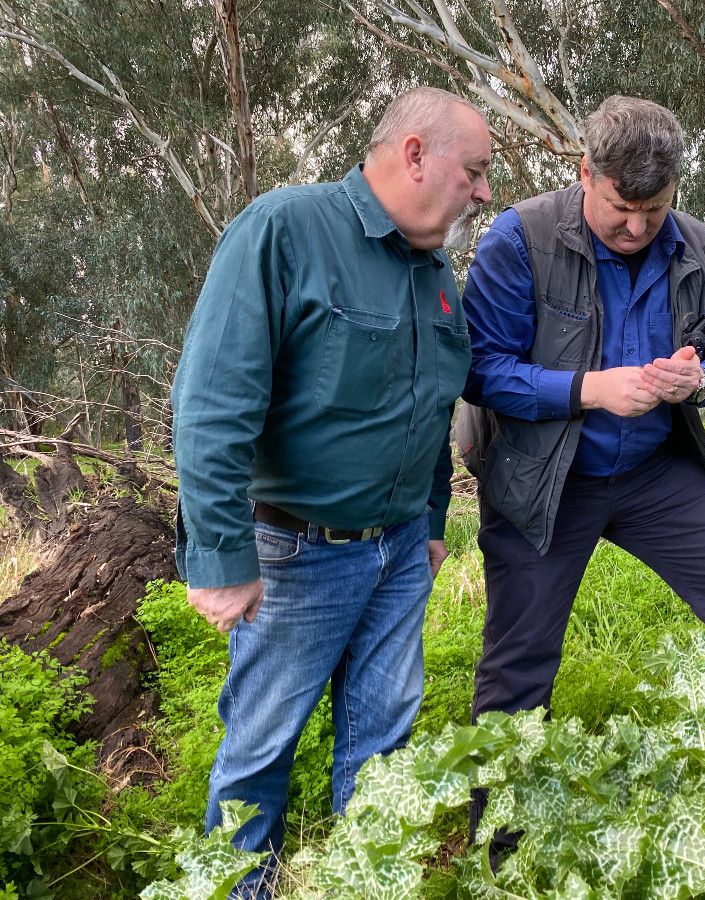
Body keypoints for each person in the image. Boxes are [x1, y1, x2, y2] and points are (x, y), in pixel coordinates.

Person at [171, 86, 491, 895]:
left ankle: (359, 883)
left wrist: (428, 521)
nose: (486, 191)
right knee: (259, 751)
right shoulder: (284, 229)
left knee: (383, 744)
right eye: (477, 172)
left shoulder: (436, 274)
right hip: (293, 555)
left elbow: (427, 404)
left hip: (397, 554)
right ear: (416, 153)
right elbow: (213, 401)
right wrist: (218, 556)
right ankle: (238, 888)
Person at [461, 95, 705, 839]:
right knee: (520, 662)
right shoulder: (520, 240)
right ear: (585, 175)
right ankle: (505, 852)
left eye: (656, 209)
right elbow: (479, 370)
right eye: (621, 208)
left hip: (653, 473)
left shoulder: (700, 248)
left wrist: (699, 381)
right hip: (547, 478)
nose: (638, 227)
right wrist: (589, 390)